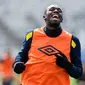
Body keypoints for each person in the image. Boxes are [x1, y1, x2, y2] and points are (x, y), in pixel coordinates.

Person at [13, 4, 83, 85]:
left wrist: (68, 65)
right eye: (52, 10)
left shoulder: (72, 40)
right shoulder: (32, 34)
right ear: (44, 17)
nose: (56, 11)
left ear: (62, 19)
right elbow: (21, 56)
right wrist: (16, 64)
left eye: (59, 11)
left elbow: (78, 73)